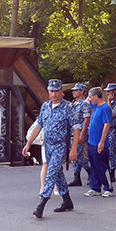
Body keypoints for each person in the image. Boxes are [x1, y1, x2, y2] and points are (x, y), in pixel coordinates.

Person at [22, 79, 80, 218]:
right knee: (58, 173)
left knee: (51, 172)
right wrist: (28, 143)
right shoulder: (45, 106)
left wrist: (73, 149)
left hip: (60, 145)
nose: (53, 94)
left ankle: (42, 204)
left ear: (61, 92)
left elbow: (77, 128)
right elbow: (38, 126)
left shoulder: (68, 107)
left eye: (56, 91)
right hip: (47, 145)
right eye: (51, 91)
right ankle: (67, 201)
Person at [84, 87, 114, 198]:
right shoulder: (95, 105)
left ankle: (108, 187)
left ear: (96, 97)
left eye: (91, 97)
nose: (90, 99)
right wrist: (93, 92)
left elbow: (107, 125)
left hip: (99, 143)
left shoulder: (105, 108)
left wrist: (102, 142)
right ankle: (95, 187)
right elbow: (87, 100)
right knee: (94, 166)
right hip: (92, 142)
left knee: (102, 165)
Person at [68, 83, 92, 186]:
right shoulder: (74, 104)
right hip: (73, 133)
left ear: (82, 92)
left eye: (76, 90)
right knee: (75, 156)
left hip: (80, 132)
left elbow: (86, 120)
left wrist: (82, 134)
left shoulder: (84, 104)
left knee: (77, 154)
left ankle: (90, 170)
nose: (73, 92)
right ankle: (76, 178)